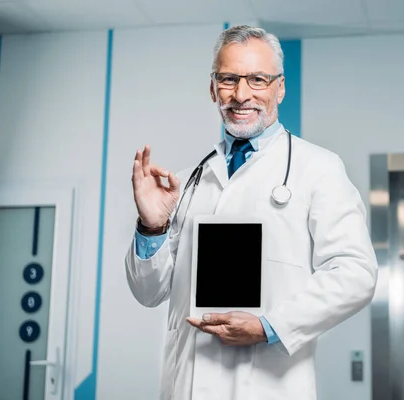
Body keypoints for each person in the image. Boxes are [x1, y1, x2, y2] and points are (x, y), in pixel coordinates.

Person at [125, 25, 378, 400]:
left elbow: (356, 273)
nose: (241, 94)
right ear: (212, 88)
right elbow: (149, 292)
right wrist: (152, 226)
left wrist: (269, 326)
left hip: (270, 386)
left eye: (258, 79)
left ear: (280, 87)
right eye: (228, 79)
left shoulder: (318, 168)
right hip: (186, 387)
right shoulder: (188, 182)